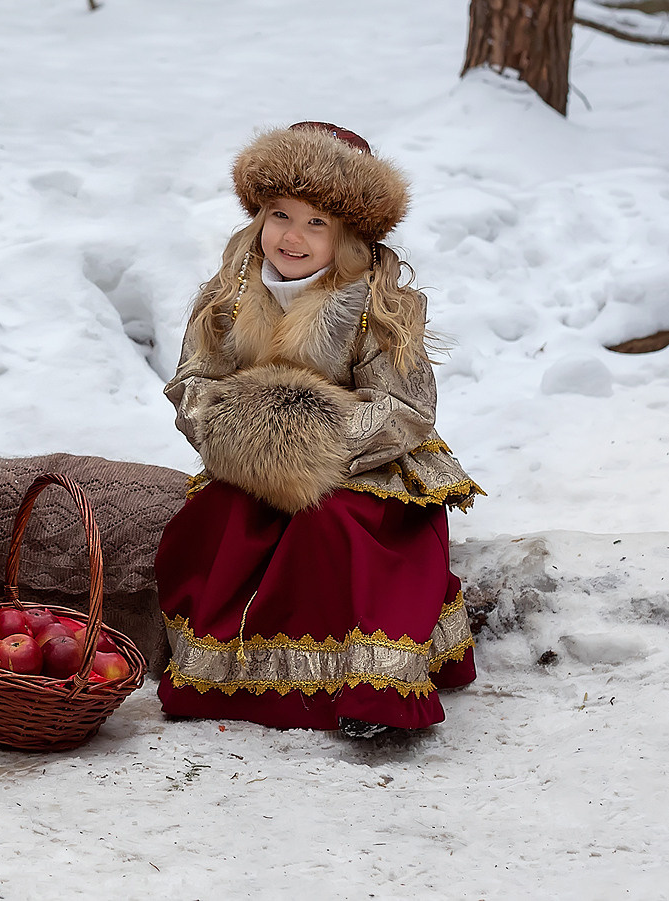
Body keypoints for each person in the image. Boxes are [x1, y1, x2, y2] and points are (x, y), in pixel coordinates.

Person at [155, 122, 480, 738]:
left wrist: (313, 447)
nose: (292, 237)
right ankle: (232, 672)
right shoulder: (228, 296)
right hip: (250, 457)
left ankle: (367, 687)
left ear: (347, 234)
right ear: (258, 218)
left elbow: (405, 407)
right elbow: (193, 384)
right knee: (218, 521)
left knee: (334, 529)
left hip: (365, 464)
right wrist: (244, 437)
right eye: (280, 215)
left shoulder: (378, 305)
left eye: (316, 223)